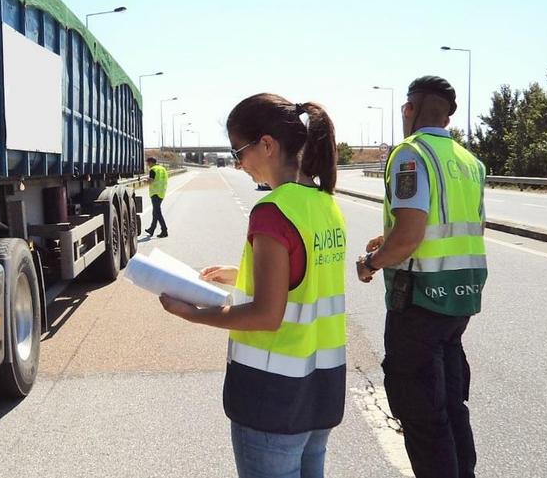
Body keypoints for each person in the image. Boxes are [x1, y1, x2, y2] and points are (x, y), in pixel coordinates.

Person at [160, 93, 346, 478]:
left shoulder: (273, 210)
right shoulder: (325, 203)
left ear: (266, 144)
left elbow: (266, 314)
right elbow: (305, 279)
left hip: (272, 399)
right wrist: (240, 273)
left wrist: (194, 315)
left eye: (238, 151)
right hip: (320, 392)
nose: (238, 163)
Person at [356, 75, 487, 478]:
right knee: (450, 407)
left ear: (410, 109)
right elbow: (447, 226)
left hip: (419, 301)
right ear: (449, 114)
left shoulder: (411, 155)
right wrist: (393, 237)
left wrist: (372, 262)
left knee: (422, 416)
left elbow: (411, 235)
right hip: (459, 301)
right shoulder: (469, 161)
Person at [145, 156, 169, 238]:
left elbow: (151, 181)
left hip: (155, 193)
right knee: (155, 212)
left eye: (148, 163)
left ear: (151, 162)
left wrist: (146, 180)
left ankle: (164, 230)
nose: (147, 165)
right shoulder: (162, 169)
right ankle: (152, 229)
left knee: (157, 212)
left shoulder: (153, 169)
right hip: (162, 192)